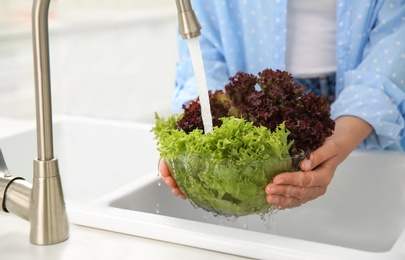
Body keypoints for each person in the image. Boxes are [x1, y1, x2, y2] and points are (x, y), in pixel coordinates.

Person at [160, 0, 405, 209]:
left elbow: (395, 40)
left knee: (366, 206)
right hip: (246, 104)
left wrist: (339, 141)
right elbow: (205, 46)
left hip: (363, 107)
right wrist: (191, 136)